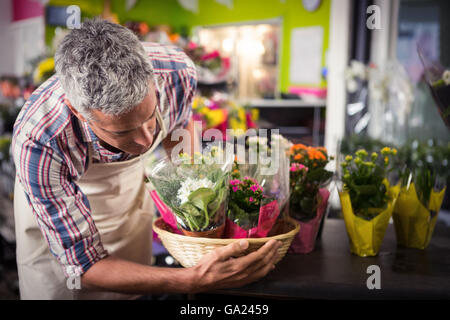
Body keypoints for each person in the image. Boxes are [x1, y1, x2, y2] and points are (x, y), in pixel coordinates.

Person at [11, 18, 280, 300]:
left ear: (154, 80)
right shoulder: (39, 138)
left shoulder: (175, 72)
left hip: (127, 205)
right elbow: (83, 267)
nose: (145, 140)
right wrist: (191, 280)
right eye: (123, 131)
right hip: (58, 232)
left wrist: (195, 198)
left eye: (151, 117)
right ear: (79, 112)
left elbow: (178, 127)